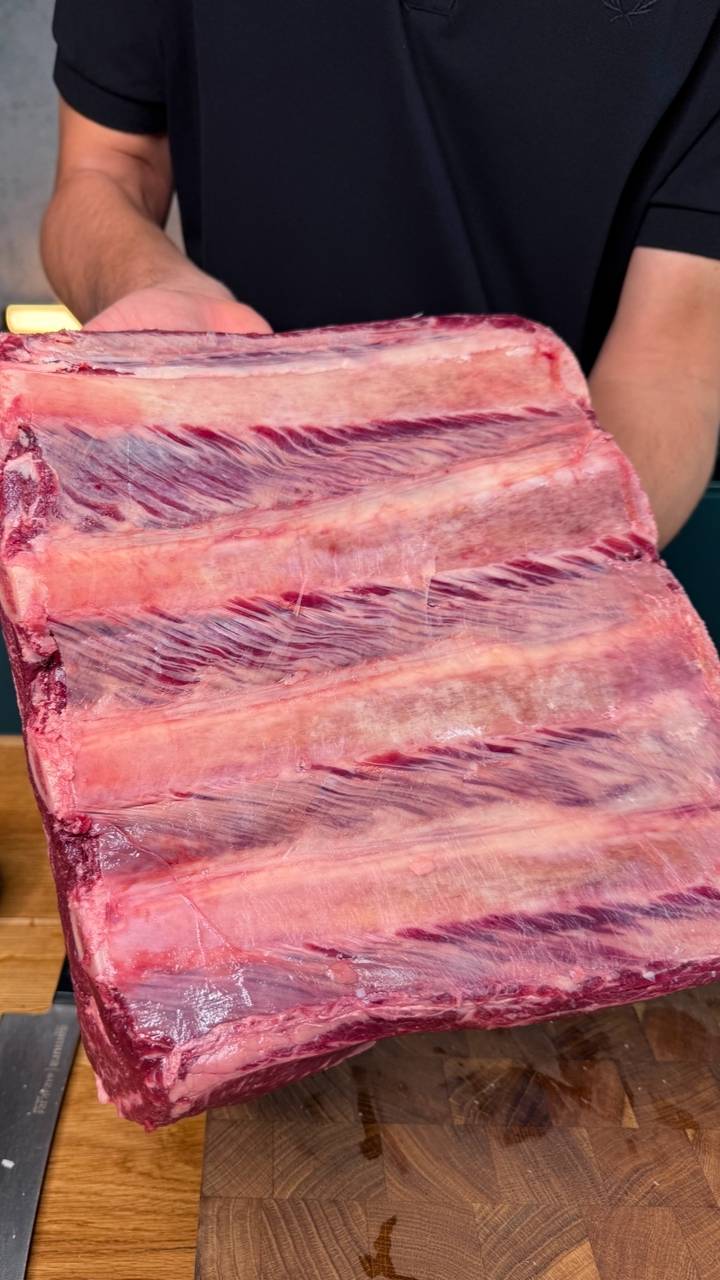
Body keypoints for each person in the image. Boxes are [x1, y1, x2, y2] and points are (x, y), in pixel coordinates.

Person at [42, 2, 720, 547]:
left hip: (537, 539)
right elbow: (107, 168)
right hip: (228, 506)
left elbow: (673, 353)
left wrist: (535, 557)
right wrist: (153, 288)